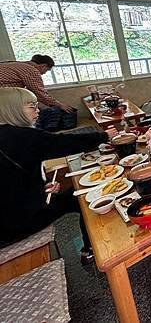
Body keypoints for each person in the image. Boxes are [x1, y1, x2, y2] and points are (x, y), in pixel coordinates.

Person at [0, 87, 117, 264]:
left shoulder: (8, 135)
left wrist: (41, 187)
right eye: (31, 106)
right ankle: (93, 250)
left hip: (13, 213)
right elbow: (62, 143)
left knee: (73, 194)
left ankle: (89, 249)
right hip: (15, 224)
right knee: (84, 200)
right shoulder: (18, 136)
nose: (37, 110)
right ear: (12, 109)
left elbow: (12, 180)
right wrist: (103, 136)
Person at [0, 55, 76, 130]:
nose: (44, 73)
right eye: (47, 70)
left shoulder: (17, 65)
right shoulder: (32, 70)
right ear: (43, 66)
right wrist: (59, 104)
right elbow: (40, 92)